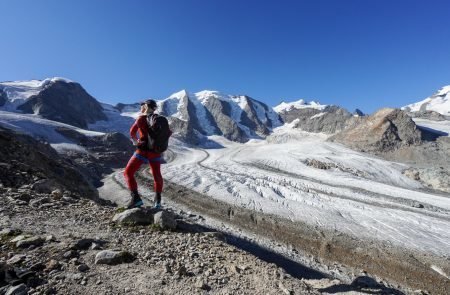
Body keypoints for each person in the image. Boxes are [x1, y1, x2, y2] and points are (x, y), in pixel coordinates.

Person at [123, 99, 169, 209]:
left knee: (128, 173)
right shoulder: (158, 120)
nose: (141, 107)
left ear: (145, 107)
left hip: (142, 151)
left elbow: (132, 132)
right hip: (155, 152)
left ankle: (136, 199)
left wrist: (135, 141)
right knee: (157, 175)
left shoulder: (141, 118)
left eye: (142, 105)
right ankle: (157, 201)